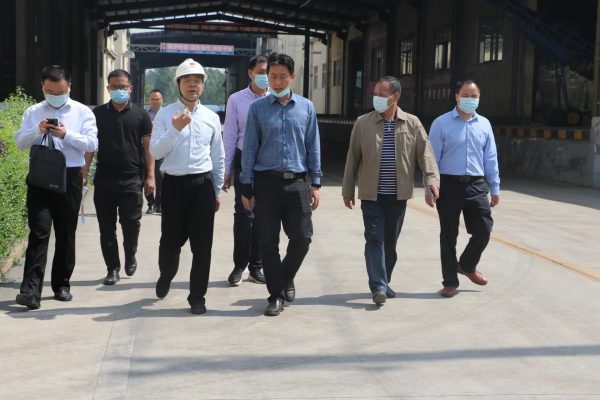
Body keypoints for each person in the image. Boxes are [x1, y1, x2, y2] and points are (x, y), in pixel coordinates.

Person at [342, 76, 440, 306]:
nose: (376, 98)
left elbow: (425, 153)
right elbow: (352, 157)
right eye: (374, 94)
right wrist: (348, 189)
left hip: (398, 196)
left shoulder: (412, 123)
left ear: (395, 97)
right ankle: (378, 286)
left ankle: (384, 282)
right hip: (371, 195)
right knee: (374, 239)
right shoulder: (363, 123)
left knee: (390, 244)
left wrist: (431, 181)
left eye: (381, 95)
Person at [241, 52, 322, 317]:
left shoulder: (306, 107)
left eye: (282, 76)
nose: (277, 82)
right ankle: (275, 295)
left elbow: (313, 146)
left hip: (297, 184)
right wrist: (246, 184)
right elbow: (250, 147)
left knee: (303, 237)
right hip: (266, 184)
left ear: (292, 77)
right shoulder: (258, 109)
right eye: (272, 76)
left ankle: (286, 277)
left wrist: (316, 182)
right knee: (267, 243)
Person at [14, 65, 98, 309]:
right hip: (40, 177)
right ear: (42, 87)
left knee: (65, 232)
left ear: (69, 87)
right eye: (50, 91)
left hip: (69, 177)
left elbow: (92, 143)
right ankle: (30, 291)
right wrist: (36, 130)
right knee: (39, 231)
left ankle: (62, 284)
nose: (55, 96)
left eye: (60, 92)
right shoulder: (33, 112)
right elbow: (20, 142)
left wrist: (66, 134)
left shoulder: (83, 112)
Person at [149, 58, 224, 315]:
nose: (193, 85)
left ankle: (197, 297)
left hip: (202, 185)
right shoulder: (165, 114)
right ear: (178, 84)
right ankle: (166, 274)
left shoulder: (211, 117)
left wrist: (216, 190)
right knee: (170, 242)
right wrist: (175, 129)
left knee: (202, 246)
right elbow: (155, 151)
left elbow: (218, 156)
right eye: (187, 81)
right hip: (174, 185)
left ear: (203, 85)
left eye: (197, 81)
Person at [429, 79, 500, 298]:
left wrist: (495, 187)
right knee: (448, 235)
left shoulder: (484, 124)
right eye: (466, 95)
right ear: (456, 97)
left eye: (474, 96)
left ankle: (467, 264)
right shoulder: (441, 123)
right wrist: (430, 185)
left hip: (476, 184)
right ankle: (450, 281)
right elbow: (431, 158)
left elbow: (490, 157)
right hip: (448, 185)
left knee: (484, 229)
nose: (470, 100)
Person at [87, 69, 154, 286]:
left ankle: (130, 254)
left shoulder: (141, 115)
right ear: (108, 88)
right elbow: (90, 146)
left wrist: (150, 176)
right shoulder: (97, 114)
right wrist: (84, 172)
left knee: (131, 223)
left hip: (132, 179)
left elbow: (148, 148)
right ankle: (112, 268)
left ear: (130, 88)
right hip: (104, 179)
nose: (119, 90)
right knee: (106, 227)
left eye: (123, 87)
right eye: (114, 87)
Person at [222, 55, 269, 287]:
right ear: (250, 73)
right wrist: (227, 170)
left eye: (267, 72)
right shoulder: (236, 100)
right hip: (244, 162)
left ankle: (256, 267)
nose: (265, 76)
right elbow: (230, 135)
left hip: (268, 163)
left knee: (263, 216)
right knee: (244, 214)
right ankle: (239, 266)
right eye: (260, 72)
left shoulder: (276, 98)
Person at [145, 89, 164, 214]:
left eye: (157, 99)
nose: (155, 101)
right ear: (149, 100)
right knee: (147, 176)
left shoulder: (167, 114)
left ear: (162, 100)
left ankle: (159, 203)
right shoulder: (144, 115)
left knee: (160, 176)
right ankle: (151, 203)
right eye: (152, 99)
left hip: (162, 150)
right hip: (147, 150)